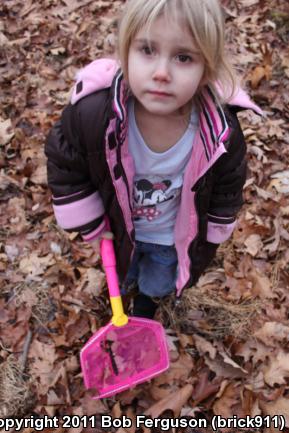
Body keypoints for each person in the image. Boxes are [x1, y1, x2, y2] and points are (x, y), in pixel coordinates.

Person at [45, 0, 262, 319]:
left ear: (206, 70)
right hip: (118, 228)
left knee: (158, 281)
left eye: (184, 57)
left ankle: (147, 309)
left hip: (170, 238)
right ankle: (127, 288)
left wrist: (211, 233)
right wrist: (91, 224)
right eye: (147, 50)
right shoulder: (94, 115)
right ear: (125, 52)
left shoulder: (219, 133)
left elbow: (227, 188)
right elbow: (67, 164)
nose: (162, 73)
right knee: (124, 271)